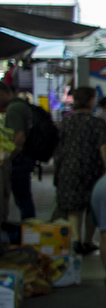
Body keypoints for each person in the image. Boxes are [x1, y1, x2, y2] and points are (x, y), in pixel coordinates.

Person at [54, 87, 106, 253]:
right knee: (91, 206)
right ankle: (88, 241)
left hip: (69, 168)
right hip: (91, 169)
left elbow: (60, 145)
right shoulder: (97, 123)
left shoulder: (66, 121)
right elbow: (104, 147)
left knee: (74, 206)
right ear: (90, 101)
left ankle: (76, 239)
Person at [0, 82, 35, 221]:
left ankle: (29, 231)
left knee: (21, 199)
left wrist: (9, 158)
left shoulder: (14, 108)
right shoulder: (21, 105)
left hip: (19, 161)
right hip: (25, 159)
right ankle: (29, 230)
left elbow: (19, 137)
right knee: (23, 198)